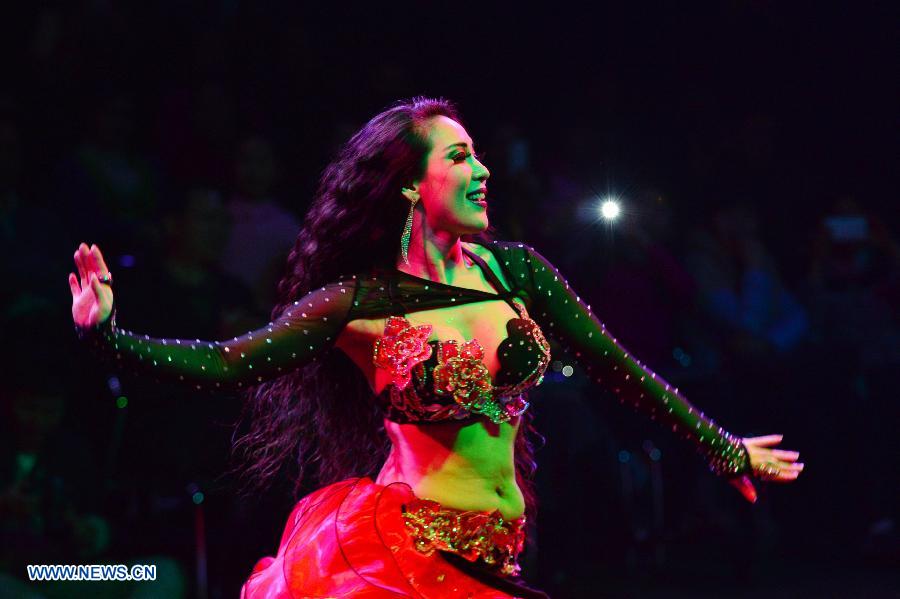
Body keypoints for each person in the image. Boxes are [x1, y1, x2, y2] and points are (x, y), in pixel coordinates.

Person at [69, 97, 803, 598]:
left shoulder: (517, 273)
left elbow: (619, 368)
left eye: (478, 155)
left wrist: (722, 447)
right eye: (461, 157)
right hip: (404, 555)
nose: (483, 172)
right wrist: (108, 335)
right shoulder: (359, 303)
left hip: (500, 549)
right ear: (412, 187)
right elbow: (226, 362)